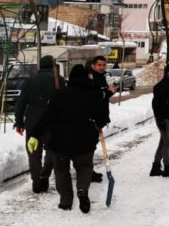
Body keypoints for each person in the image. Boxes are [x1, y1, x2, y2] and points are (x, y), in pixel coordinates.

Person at [28, 64, 109, 214]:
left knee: (61, 171)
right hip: (84, 141)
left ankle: (65, 201)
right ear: (86, 77)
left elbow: (47, 116)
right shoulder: (95, 94)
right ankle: (82, 190)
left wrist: (34, 134)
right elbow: (102, 118)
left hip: (60, 141)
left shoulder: (60, 94)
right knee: (84, 167)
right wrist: (98, 122)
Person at [14, 55, 62, 193]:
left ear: (40, 66)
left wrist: (19, 123)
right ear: (53, 67)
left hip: (32, 124)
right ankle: (44, 175)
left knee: (33, 154)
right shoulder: (59, 81)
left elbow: (21, 104)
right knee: (52, 152)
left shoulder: (30, 81)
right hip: (53, 123)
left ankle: (37, 183)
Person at [86, 55, 113, 184]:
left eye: (103, 65)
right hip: (92, 118)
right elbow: (95, 98)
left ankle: (88, 170)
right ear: (93, 66)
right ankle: (87, 172)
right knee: (89, 146)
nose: (102, 67)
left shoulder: (101, 77)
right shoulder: (90, 79)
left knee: (92, 145)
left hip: (99, 117)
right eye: (99, 65)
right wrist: (108, 93)